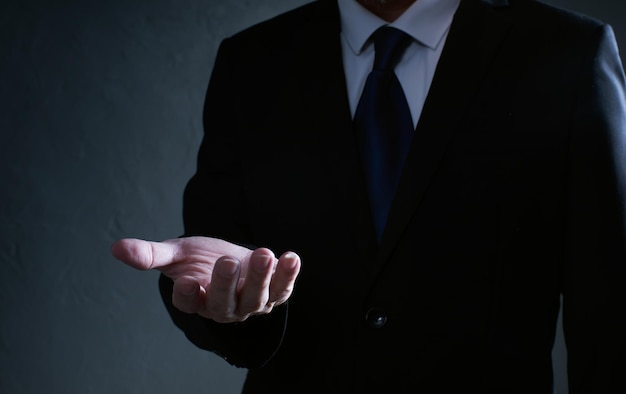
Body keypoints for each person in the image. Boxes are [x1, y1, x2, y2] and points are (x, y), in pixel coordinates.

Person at [111, 0, 626, 392]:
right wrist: (221, 303)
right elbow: (218, 258)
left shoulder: (567, 55)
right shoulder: (251, 62)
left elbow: (610, 314)